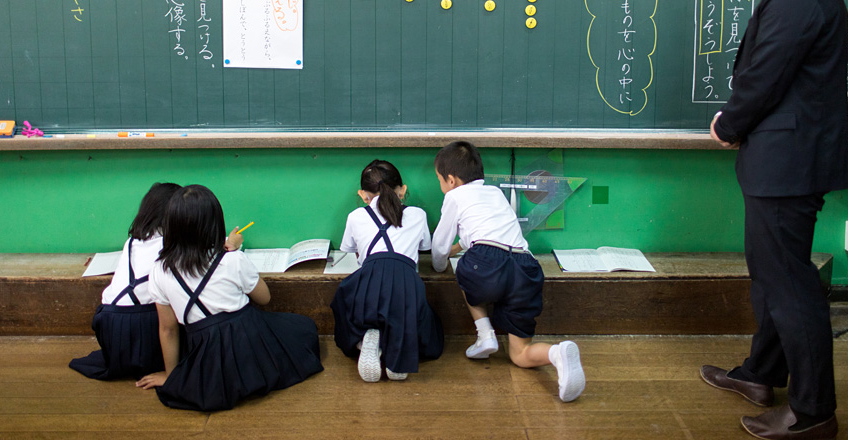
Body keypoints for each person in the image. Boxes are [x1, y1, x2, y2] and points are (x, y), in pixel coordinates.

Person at [701, 0, 848, 440]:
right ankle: (763, 374)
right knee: (776, 278)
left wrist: (728, 124)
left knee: (789, 285)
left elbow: (765, 77)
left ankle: (814, 412)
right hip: (785, 159)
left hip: (788, 164)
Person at [135, 184, 323, 411]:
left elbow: (168, 329)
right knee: (304, 329)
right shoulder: (232, 260)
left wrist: (173, 376)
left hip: (204, 347)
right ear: (215, 224)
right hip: (249, 338)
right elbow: (264, 298)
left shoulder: (159, 270)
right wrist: (235, 252)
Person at [431, 141, 585, 402]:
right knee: (519, 354)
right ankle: (556, 353)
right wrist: (459, 247)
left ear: (451, 180)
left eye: (440, 181)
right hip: (526, 268)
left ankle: (486, 335)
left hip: (488, 265)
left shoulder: (454, 196)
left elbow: (440, 245)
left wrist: (439, 263)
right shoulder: (494, 193)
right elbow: (476, 237)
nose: (442, 186)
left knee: (466, 271)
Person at [330, 160, 444, 382]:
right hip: (406, 285)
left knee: (347, 304)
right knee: (426, 324)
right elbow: (424, 248)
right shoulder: (418, 215)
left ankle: (367, 339)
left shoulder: (355, 217)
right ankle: (397, 355)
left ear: (363, 195)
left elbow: (351, 252)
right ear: (402, 191)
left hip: (368, 283)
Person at [69, 182, 181, 380]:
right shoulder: (174, 245)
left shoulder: (132, 242)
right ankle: (168, 367)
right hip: (142, 325)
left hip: (110, 324)